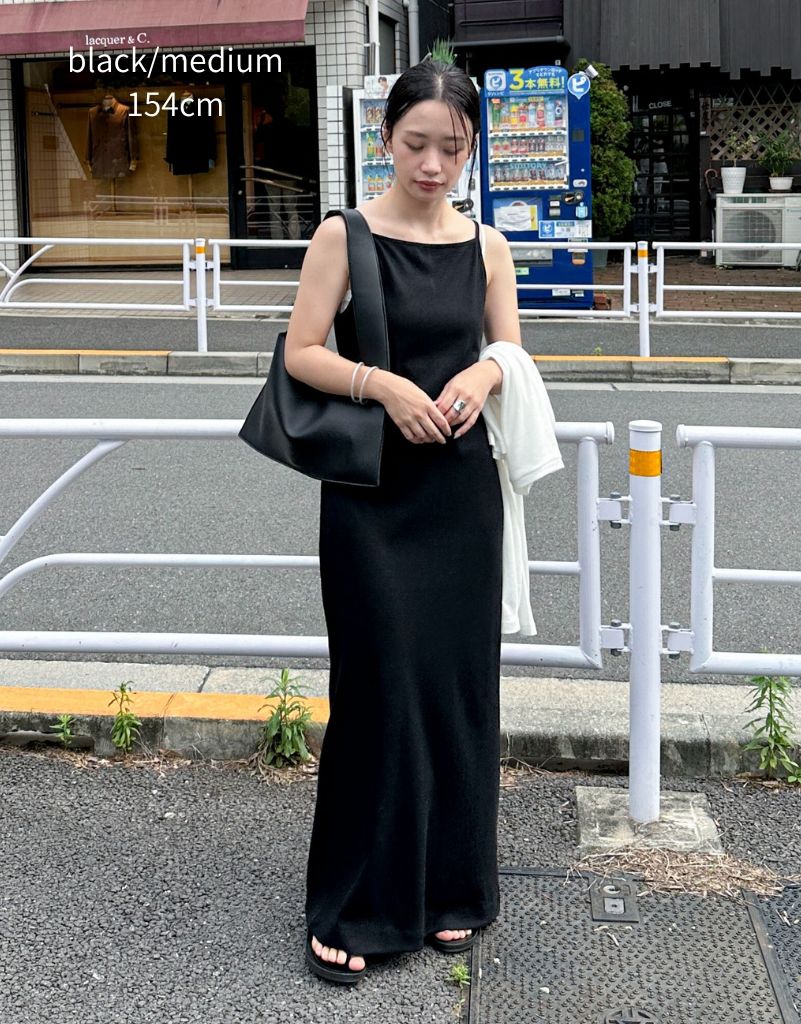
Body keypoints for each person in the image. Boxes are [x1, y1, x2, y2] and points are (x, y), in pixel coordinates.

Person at [283, 56, 522, 985]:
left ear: (471, 150)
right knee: (377, 693)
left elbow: (508, 349)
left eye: (452, 148)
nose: (433, 165)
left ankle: (454, 887)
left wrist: (484, 373)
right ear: (384, 138)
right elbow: (301, 352)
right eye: (417, 143)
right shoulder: (343, 236)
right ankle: (358, 903)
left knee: (457, 693)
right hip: (371, 502)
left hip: (461, 497)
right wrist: (380, 385)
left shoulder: (487, 245)